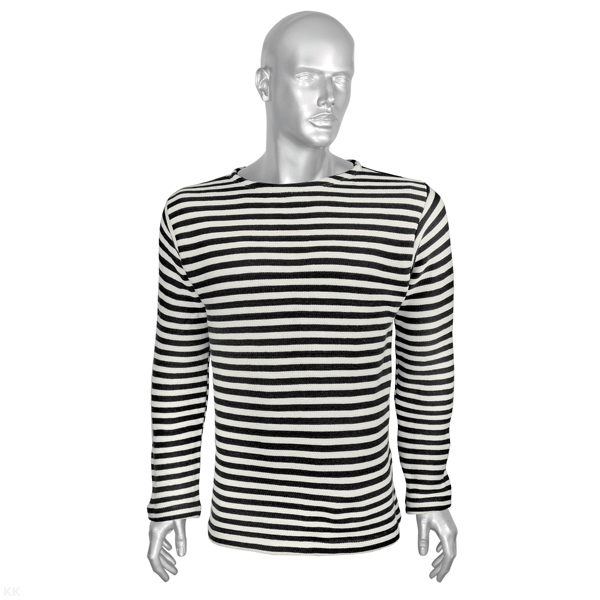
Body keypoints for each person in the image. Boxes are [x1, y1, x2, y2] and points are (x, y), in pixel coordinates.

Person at [147, 10, 458, 583]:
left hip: (367, 540)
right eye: (308, 75)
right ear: (264, 83)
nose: (328, 97)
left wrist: (430, 492)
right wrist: (169, 495)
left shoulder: (410, 211)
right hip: (236, 542)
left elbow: (426, 367)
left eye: (342, 78)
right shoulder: (192, 215)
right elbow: (179, 367)